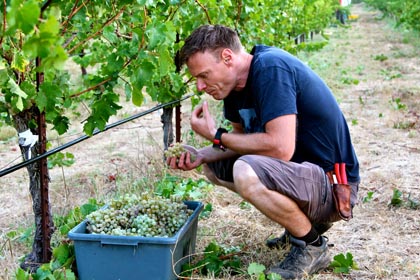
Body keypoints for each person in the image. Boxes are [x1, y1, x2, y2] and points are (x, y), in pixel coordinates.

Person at [167, 24, 360, 279]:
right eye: (197, 79)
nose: (200, 86)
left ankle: (311, 245)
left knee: (245, 171)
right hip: (301, 177)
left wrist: (216, 135)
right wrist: (202, 154)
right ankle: (300, 225)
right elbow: (242, 140)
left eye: (204, 75)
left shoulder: (270, 69)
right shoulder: (233, 89)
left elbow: (280, 147)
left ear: (227, 57)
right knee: (216, 167)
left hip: (331, 186)